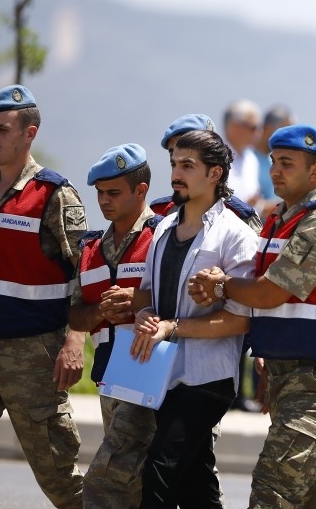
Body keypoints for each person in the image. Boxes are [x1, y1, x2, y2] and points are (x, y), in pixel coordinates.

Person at [188, 123, 316, 508]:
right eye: (273, 161)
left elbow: (268, 293)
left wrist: (222, 285)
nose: (275, 171)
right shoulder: (280, 218)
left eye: (287, 163)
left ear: (315, 172)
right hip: (293, 375)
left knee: (273, 488)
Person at [0, 85, 87, 509]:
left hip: (34, 358)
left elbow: (84, 278)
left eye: (2, 129)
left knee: (60, 480)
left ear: (29, 133)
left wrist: (74, 344)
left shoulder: (54, 195)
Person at [128, 129, 257, 508]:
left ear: (215, 174)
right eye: (173, 164)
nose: (176, 174)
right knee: (196, 483)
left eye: (188, 165)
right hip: (160, 373)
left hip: (206, 377)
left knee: (159, 470)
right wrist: (147, 317)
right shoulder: (163, 228)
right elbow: (149, 295)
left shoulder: (235, 235)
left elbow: (240, 320)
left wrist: (173, 327)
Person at [68, 143, 158, 509]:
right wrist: (99, 313)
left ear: (141, 190)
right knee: (133, 481)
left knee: (108, 475)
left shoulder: (162, 237)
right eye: (100, 193)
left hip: (147, 367)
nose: (104, 201)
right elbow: (73, 314)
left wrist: (138, 303)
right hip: (107, 370)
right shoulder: (89, 247)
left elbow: (178, 300)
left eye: (114, 193)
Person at [151, 113, 261, 231]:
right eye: (172, 153)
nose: (177, 159)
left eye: (188, 155)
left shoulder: (241, 217)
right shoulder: (160, 212)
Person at [254, 104, 295, 216]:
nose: (289, 140)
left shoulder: (274, 161)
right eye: (284, 132)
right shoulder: (248, 161)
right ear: (267, 129)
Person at [223, 99, 263, 206]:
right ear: (234, 127)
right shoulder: (213, 156)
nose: (258, 133)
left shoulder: (252, 159)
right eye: (253, 127)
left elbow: (254, 201)